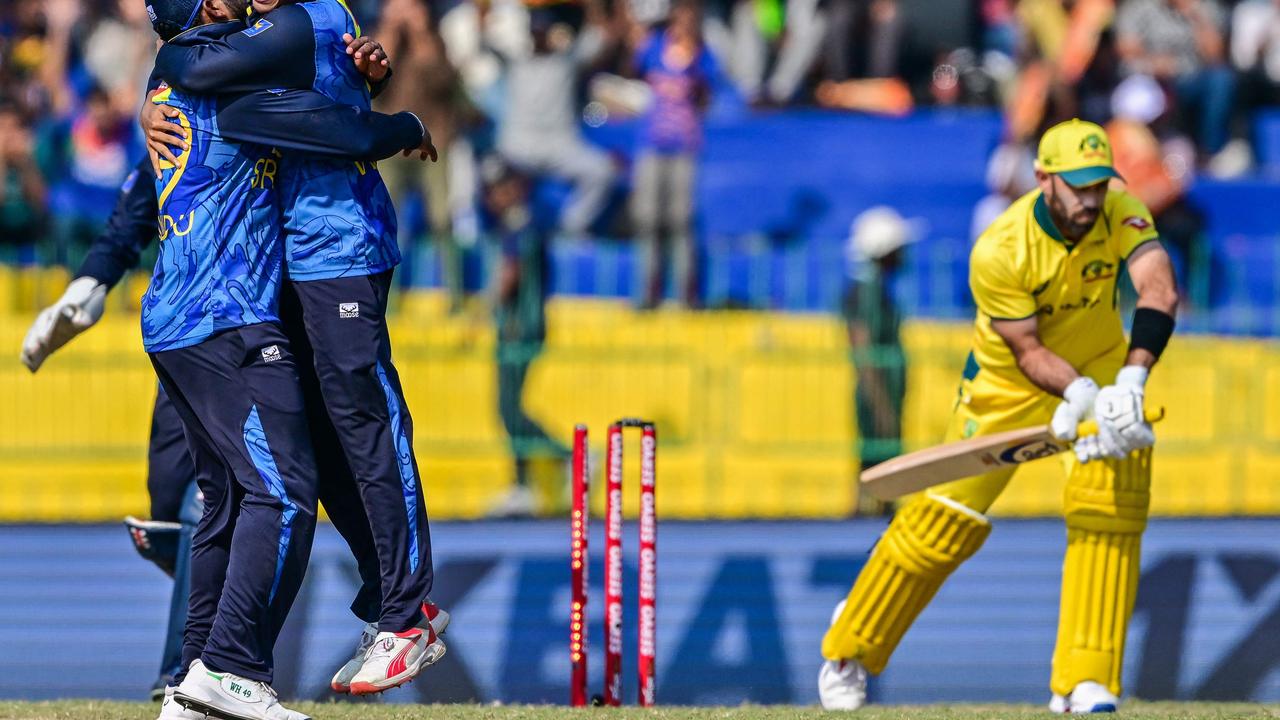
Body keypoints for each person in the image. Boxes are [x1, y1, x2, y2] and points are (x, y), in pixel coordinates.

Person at [818, 120, 1179, 713]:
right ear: (1043, 179)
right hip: (1006, 387)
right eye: (1078, 186)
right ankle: (850, 644)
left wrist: (1132, 382)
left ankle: (1085, 680)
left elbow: (1158, 289)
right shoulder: (1001, 248)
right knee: (942, 526)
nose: (1091, 199)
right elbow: (1030, 352)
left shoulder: (1119, 210)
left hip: (1104, 368)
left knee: (1112, 510)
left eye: (1099, 184)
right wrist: (1083, 395)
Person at [142, 1, 432, 716]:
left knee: (254, 484)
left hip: (222, 299)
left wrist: (383, 105)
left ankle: (203, 676)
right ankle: (226, 669)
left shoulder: (287, 30)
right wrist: (397, 124)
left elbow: (321, 109)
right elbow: (331, 125)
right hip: (232, 310)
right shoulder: (231, 75)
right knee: (281, 485)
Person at [19, 157, 197, 700]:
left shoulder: (263, 121)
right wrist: (84, 289)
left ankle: (185, 675)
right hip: (182, 336)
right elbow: (127, 226)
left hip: (256, 330)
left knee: (206, 508)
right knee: (168, 504)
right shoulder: (173, 133)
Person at [480, 157, 570, 518]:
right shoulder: (527, 221)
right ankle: (524, 483)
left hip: (518, 327)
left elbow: (512, 272)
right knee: (510, 408)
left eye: (496, 190)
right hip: (526, 325)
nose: (491, 198)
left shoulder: (521, 222)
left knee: (508, 407)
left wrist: (483, 310)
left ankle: (563, 461)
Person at [495, 4, 617, 236]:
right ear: (529, 34)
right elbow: (483, 41)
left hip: (560, 146)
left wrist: (592, 7)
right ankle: (515, 227)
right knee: (490, 172)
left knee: (603, 172)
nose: (539, 35)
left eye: (543, 30)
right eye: (535, 31)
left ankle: (570, 226)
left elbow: (601, 37)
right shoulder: (515, 63)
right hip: (519, 148)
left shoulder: (566, 61)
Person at [630, 1, 718, 309]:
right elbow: (634, 69)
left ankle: (686, 294)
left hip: (685, 143)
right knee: (648, 218)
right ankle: (648, 292)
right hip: (653, 141)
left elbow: (710, 93)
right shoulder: (653, 47)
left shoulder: (702, 56)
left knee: (681, 219)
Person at [840, 207, 913, 515]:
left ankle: (880, 503)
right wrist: (880, 401)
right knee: (874, 448)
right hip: (877, 389)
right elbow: (864, 350)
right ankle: (866, 506)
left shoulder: (878, 289)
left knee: (885, 451)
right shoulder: (864, 292)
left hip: (888, 387)